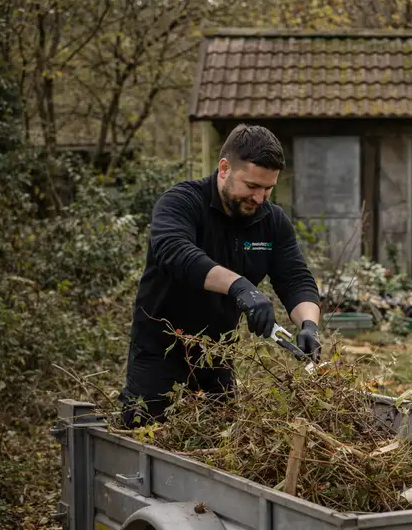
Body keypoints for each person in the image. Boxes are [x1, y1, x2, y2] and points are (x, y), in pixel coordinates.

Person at [119, 124, 322, 426]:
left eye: (268, 188)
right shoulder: (181, 202)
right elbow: (175, 253)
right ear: (224, 168)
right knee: (146, 434)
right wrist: (239, 287)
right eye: (252, 186)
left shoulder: (272, 222)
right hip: (159, 355)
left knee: (221, 440)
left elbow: (295, 278)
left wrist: (309, 325)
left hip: (217, 357)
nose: (259, 198)